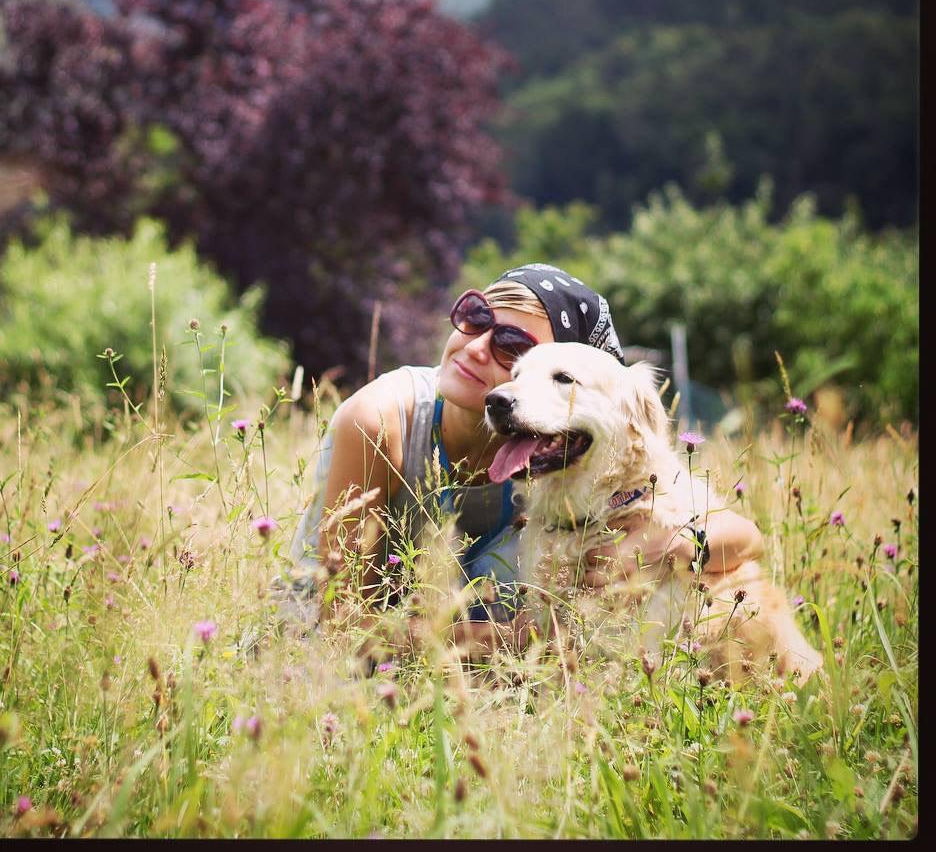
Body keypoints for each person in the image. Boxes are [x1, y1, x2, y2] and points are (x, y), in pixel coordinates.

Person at [273, 263, 763, 654]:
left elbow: (745, 537)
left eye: (513, 345)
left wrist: (663, 545)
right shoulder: (380, 419)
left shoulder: (564, 460)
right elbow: (341, 622)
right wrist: (511, 641)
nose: (478, 346)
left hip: (471, 675)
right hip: (324, 650)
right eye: (475, 317)